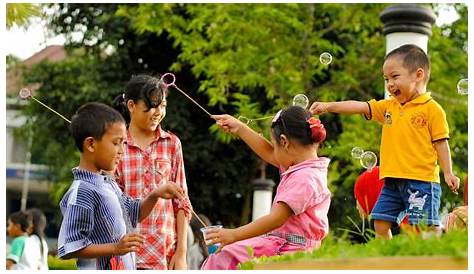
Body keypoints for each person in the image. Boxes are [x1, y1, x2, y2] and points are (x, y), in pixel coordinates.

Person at [310, 44, 460, 239]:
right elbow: (360, 106)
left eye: (395, 77)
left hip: (421, 181)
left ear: (419, 74)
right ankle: (390, 258)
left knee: (423, 228)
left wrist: (448, 172)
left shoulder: (432, 109)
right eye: (386, 79)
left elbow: (441, 143)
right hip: (392, 181)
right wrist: (328, 106)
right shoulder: (389, 107)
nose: (389, 84)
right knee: (380, 222)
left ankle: (438, 246)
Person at [57, 102, 185, 270]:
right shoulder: (82, 191)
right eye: (116, 143)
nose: (121, 151)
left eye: (123, 143)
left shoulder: (109, 185)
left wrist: (155, 194)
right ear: (91, 144)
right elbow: (70, 246)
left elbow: (135, 212)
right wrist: (116, 248)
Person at [202, 105, 331, 270]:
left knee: (223, 258)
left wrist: (233, 234)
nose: (273, 152)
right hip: (282, 245)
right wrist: (241, 128)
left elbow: (276, 218)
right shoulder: (303, 166)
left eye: (274, 144)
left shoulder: (305, 178)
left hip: (289, 250)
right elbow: (270, 153)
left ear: (284, 142)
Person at [113, 74, 192, 269]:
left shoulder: (172, 144)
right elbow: (112, 204)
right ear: (131, 105)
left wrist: (181, 253)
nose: (158, 112)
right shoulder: (117, 145)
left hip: (166, 254)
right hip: (127, 253)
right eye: (152, 106)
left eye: (163, 105)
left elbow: (182, 203)